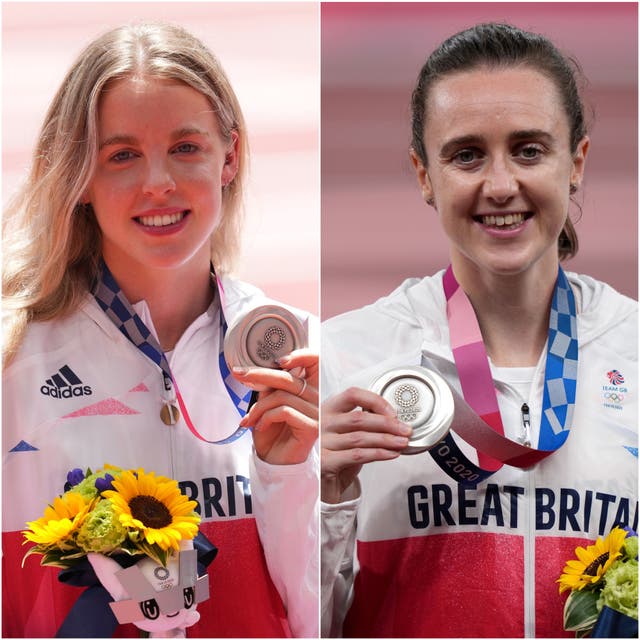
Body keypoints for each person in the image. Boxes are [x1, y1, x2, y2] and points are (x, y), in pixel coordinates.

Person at [321, 23, 637, 638]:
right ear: (423, 174)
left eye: (529, 150)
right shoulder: (346, 358)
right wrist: (325, 499)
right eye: (466, 154)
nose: (499, 185)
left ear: (576, 162)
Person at [3, 22, 319, 638]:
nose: (158, 183)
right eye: (121, 155)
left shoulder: (300, 356)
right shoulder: (14, 361)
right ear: (79, 179)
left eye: (185, 147)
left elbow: (324, 617)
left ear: (229, 156)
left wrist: (289, 479)